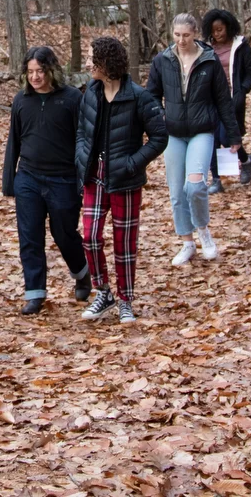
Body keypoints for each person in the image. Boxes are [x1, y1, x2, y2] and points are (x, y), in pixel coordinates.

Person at [74, 36, 166, 324]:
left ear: (106, 61)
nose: (87, 63)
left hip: (125, 179)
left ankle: (126, 299)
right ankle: (104, 292)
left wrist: (132, 164)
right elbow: (80, 132)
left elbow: (159, 137)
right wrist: (82, 158)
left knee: (124, 243)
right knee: (89, 237)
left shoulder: (139, 97)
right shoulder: (90, 91)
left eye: (91, 58)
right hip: (94, 177)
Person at [145, 13, 240, 266]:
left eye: (186, 35)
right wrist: (160, 115)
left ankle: (204, 231)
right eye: (177, 35)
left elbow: (223, 100)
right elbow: (151, 95)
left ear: (195, 33)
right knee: (176, 191)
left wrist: (233, 135)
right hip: (173, 132)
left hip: (202, 130)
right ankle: (187, 242)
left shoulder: (209, 61)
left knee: (195, 185)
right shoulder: (162, 60)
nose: (181, 40)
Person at [3, 46, 91, 315]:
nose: (35, 77)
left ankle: (82, 272)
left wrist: (83, 179)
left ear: (51, 70)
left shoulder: (73, 99)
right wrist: (10, 181)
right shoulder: (21, 101)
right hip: (28, 177)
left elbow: (84, 140)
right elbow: (14, 142)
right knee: (29, 236)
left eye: (40, 71)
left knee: (64, 234)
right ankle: (35, 292)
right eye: (30, 72)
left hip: (63, 179)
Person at [201, 8, 251, 190]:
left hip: (233, 98)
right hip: (210, 100)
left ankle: (245, 160)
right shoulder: (205, 48)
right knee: (212, 138)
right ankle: (216, 180)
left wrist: (242, 91)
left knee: (228, 136)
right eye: (213, 30)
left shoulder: (240, 46)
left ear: (229, 27)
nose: (216, 34)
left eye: (220, 29)